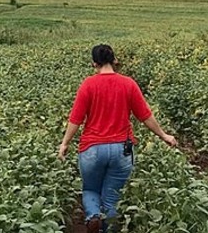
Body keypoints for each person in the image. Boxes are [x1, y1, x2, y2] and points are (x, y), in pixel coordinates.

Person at [58, 44, 177, 233]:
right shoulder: (128, 84)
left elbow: (76, 119)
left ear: (94, 64)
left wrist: (65, 144)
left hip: (92, 148)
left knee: (90, 189)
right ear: (114, 61)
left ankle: (93, 216)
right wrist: (164, 135)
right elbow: (145, 115)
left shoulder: (88, 84)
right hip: (123, 148)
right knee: (113, 195)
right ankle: (109, 228)